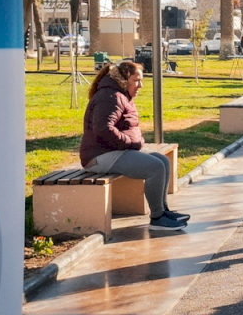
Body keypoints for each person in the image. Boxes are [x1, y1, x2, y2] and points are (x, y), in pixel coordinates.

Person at [80, 61, 188, 231]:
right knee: (155, 167)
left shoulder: (120, 95)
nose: (140, 86)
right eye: (136, 80)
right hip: (99, 156)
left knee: (162, 160)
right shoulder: (110, 96)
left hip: (114, 150)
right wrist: (130, 143)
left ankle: (163, 211)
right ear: (123, 80)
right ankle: (157, 219)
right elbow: (103, 130)